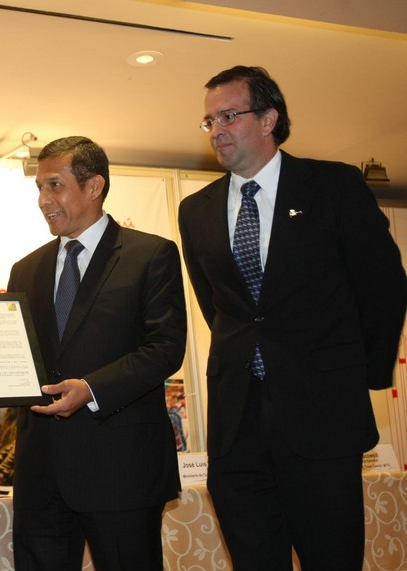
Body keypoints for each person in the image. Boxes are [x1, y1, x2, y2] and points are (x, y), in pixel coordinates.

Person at [178, 65, 407, 571]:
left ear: (268, 119)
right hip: (237, 426)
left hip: (322, 416)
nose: (216, 130)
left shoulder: (333, 186)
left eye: (229, 116)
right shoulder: (196, 209)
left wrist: (358, 375)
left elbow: (384, 286)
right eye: (208, 120)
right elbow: (218, 305)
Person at [7, 136, 187, 570]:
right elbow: (19, 356)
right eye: (39, 188)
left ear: (94, 187)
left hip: (121, 470)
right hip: (41, 473)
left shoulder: (150, 255)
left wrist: (91, 388)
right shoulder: (25, 269)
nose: (43, 200)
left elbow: (165, 349)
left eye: (54, 185)